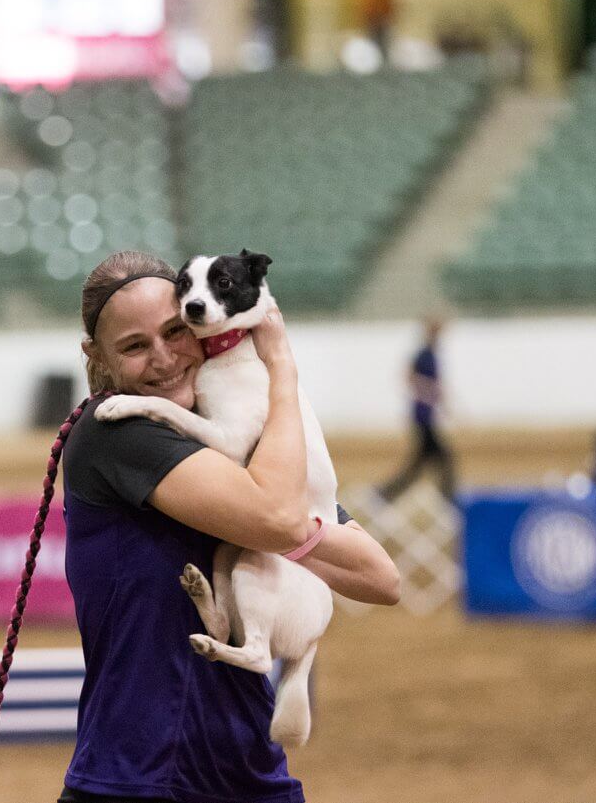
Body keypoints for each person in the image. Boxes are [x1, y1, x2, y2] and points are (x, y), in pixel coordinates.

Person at [58, 250, 400, 803]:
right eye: (135, 346)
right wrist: (282, 371)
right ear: (97, 356)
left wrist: (289, 533)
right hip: (140, 780)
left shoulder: (254, 445)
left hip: (251, 773)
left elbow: (381, 580)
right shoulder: (116, 431)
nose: (166, 358)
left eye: (175, 331)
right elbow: (279, 515)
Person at [378, 316, 456, 503]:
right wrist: (430, 394)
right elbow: (410, 377)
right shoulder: (425, 355)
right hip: (422, 415)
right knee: (442, 459)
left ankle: (386, 494)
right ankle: (449, 498)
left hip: (424, 415)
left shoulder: (430, 355)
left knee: (420, 463)